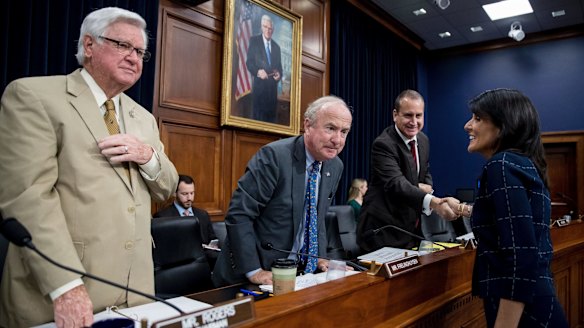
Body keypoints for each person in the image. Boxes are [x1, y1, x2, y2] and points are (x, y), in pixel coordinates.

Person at [0, 7, 178, 327]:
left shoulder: (144, 118)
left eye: (140, 51)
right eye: (123, 45)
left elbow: (167, 187)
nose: (134, 57)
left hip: (135, 292)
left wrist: (147, 155)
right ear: (90, 45)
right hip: (61, 293)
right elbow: (28, 198)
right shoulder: (34, 96)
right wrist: (65, 286)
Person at [212, 95, 353, 287]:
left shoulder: (335, 165)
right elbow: (239, 214)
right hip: (252, 275)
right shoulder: (274, 157)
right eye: (330, 128)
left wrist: (318, 257)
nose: (337, 140)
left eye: (344, 132)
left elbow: (316, 218)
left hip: (298, 274)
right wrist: (255, 271)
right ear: (308, 125)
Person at [462, 88, 568, 327]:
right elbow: (509, 220)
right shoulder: (520, 163)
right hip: (537, 304)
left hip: (524, 313)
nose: (468, 126)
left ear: (503, 126)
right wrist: (463, 209)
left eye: (478, 118)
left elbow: (520, 255)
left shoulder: (500, 165)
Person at [357, 89, 458, 251]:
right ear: (395, 115)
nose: (414, 121)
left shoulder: (423, 140)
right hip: (382, 229)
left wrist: (426, 188)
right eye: (408, 115)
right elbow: (396, 184)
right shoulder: (383, 144)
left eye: (418, 115)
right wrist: (434, 202)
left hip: (410, 227)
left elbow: (425, 172)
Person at [154, 174, 220, 268]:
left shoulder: (203, 215)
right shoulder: (162, 217)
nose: (189, 198)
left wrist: (213, 246)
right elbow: (162, 251)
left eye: (192, 193)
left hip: (204, 264)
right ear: (175, 193)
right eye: (185, 194)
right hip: (177, 266)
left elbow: (212, 238)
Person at [246, 14, 283, 123]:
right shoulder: (254, 41)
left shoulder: (277, 47)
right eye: (265, 27)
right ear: (261, 27)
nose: (268, 30)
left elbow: (280, 68)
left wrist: (279, 75)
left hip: (272, 95)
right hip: (259, 93)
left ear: (273, 30)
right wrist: (258, 72)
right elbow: (249, 63)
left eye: (270, 28)